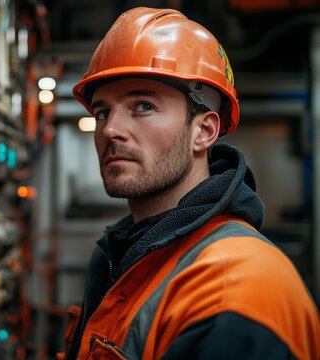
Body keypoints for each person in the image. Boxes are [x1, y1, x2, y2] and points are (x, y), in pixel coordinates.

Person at [61, 7, 320, 360]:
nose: (110, 130)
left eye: (142, 105)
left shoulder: (236, 291)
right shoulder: (125, 259)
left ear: (204, 131)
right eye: (103, 111)